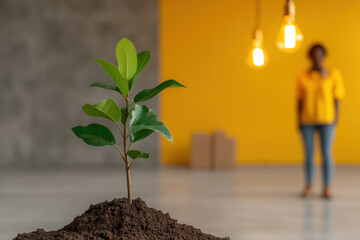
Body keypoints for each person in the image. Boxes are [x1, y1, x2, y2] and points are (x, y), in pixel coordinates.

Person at [296, 43, 345, 199]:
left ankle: (327, 187)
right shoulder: (303, 76)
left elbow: (337, 98)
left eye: (319, 54)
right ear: (310, 57)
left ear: (324, 56)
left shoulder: (332, 74)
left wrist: (336, 118)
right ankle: (309, 185)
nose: (316, 57)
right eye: (313, 54)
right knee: (309, 154)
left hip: (327, 120)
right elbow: (299, 100)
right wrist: (297, 120)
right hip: (307, 120)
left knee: (326, 154)